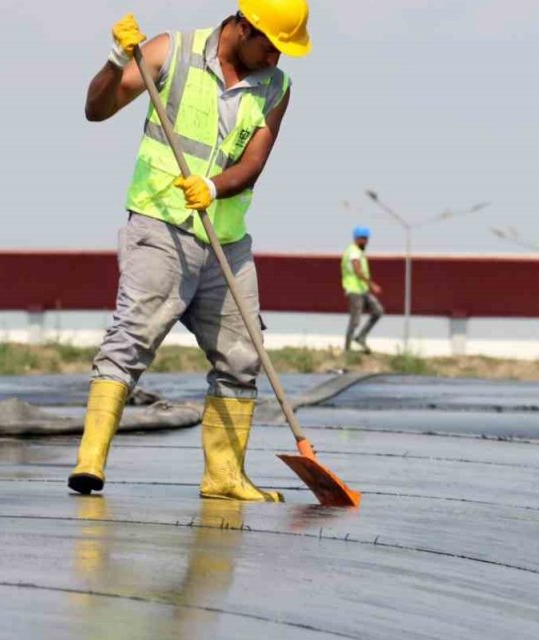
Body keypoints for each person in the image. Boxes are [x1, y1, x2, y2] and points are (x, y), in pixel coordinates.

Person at [68, 0, 312, 502]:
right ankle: (90, 462)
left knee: (244, 357)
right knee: (132, 338)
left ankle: (224, 477)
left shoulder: (276, 87)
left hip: (225, 239)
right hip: (160, 226)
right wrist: (117, 61)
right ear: (243, 27)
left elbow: (253, 162)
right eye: (271, 44)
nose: (276, 58)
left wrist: (215, 186)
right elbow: (96, 110)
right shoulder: (170, 52)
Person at [342, 226, 383, 354]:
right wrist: (372, 285)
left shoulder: (358, 252)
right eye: (364, 239)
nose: (366, 242)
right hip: (354, 290)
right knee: (355, 320)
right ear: (357, 238)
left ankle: (360, 337)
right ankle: (347, 349)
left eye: (367, 239)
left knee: (378, 311)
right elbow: (358, 271)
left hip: (362, 290)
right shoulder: (353, 252)